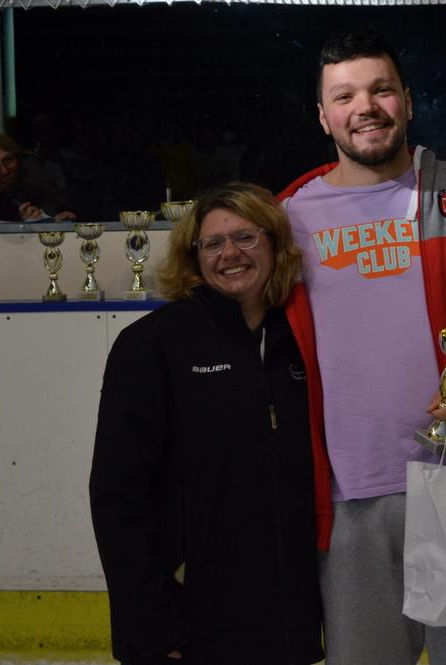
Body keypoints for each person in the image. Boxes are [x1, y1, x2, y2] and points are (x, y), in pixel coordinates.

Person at [278, 26, 446, 665]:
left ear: (407, 99)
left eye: (380, 89)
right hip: (347, 507)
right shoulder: (286, 217)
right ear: (323, 116)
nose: (365, 107)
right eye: (344, 96)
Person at [89, 182, 324, 665]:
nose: (229, 254)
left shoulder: (300, 341)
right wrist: (150, 619)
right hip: (183, 623)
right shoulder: (152, 346)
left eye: (246, 237)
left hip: (282, 622)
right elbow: (117, 496)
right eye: (213, 243)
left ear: (275, 245)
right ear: (193, 257)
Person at [0, 133, 77, 222]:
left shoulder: (40, 181)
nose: (4, 171)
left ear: (18, 158)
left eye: (8, 160)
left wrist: (69, 217)